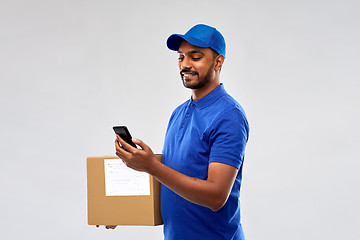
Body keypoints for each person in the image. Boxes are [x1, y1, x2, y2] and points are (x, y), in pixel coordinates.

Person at [113, 24, 249, 240]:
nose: (185, 65)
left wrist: (152, 166)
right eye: (181, 57)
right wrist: (121, 210)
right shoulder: (178, 113)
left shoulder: (229, 115)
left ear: (218, 61)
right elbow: (173, 183)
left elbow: (216, 196)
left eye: (195, 57)